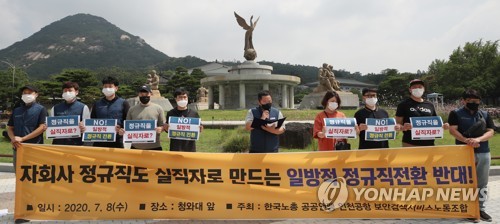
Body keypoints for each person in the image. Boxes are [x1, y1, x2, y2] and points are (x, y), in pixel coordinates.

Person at [448, 89, 495, 222]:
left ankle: (480, 209)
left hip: (483, 152)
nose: (473, 103)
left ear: (480, 101)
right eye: (470, 100)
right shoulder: (455, 113)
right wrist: (466, 140)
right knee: (465, 182)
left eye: (476, 100)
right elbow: (452, 130)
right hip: (463, 152)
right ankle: (468, 209)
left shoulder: (485, 114)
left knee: (482, 183)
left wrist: (478, 140)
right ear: (464, 101)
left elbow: (491, 131)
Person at [395, 79, 448, 147]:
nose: (417, 89)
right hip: (410, 144)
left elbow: (435, 123)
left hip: (430, 144)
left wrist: (443, 126)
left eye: (420, 87)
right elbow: (398, 124)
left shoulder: (430, 105)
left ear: (424, 89)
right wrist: (403, 127)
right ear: (410, 89)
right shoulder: (403, 104)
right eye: (414, 87)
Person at [7, 85, 47, 169]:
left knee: (34, 174)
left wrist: (23, 138)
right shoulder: (17, 110)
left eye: (29, 93)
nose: (26, 95)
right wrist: (13, 138)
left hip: (34, 147)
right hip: (18, 147)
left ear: (36, 94)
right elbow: (10, 127)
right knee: (19, 174)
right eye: (24, 93)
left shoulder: (41, 109)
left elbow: (42, 127)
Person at [90, 76, 130, 148]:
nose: (107, 89)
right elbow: (92, 120)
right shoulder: (97, 104)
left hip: (117, 140)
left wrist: (121, 128)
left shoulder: (123, 103)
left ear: (116, 88)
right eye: (105, 86)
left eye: (110, 86)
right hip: (99, 140)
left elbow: (128, 121)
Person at [121, 85, 164, 150]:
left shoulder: (158, 108)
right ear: (139, 94)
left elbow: (163, 126)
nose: (144, 96)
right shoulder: (132, 109)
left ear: (151, 94)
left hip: (154, 147)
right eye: (141, 93)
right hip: (136, 147)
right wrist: (123, 130)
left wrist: (161, 129)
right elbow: (127, 127)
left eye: (146, 93)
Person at [50, 81, 90, 145]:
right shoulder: (55, 108)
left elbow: (87, 127)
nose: (67, 93)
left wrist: (84, 127)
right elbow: (50, 126)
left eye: (70, 90)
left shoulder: (83, 107)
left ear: (76, 92)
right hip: (58, 144)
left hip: (77, 144)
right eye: (65, 91)